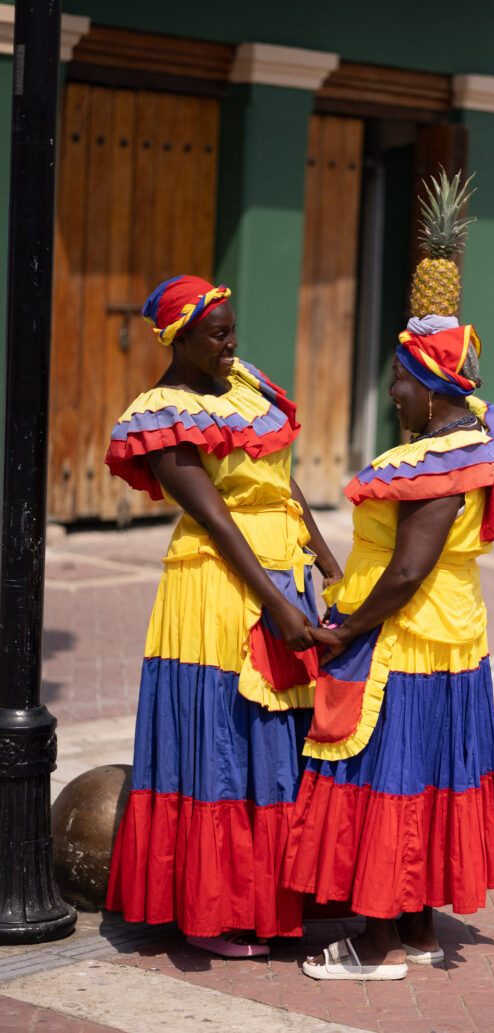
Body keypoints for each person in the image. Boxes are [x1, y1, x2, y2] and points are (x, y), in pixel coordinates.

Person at [105, 274, 342, 958]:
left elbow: (281, 479)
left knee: (284, 735)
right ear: (178, 339)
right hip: (218, 584)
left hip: (281, 570)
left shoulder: (247, 384)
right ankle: (216, 912)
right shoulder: (160, 411)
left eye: (233, 329)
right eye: (216, 334)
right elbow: (212, 515)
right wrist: (274, 603)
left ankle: (280, 898)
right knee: (225, 739)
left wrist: (325, 562)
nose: (231, 343)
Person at [281, 317, 494, 980]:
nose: (391, 391)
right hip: (448, 638)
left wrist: (346, 629)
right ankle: (417, 929)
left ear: (431, 387)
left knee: (385, 780)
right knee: (425, 779)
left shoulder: (434, 462)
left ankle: (378, 942)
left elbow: (408, 567)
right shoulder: (479, 442)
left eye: (398, 378)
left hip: (400, 638)